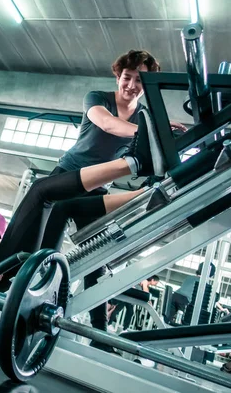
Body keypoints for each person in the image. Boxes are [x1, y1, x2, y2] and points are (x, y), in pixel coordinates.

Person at [49, 50, 186, 348]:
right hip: (67, 174)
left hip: (97, 187)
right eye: (128, 77)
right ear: (118, 75)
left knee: (95, 257)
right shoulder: (97, 97)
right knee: (47, 243)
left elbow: (151, 153)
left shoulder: (144, 114)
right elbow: (108, 125)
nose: (132, 85)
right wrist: (154, 133)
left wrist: (160, 136)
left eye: (139, 80)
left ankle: (99, 333)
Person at [0, 135, 152, 286]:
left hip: (12, 259)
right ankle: (131, 163)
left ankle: (140, 196)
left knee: (63, 206)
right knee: (40, 190)